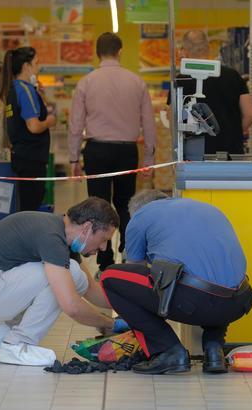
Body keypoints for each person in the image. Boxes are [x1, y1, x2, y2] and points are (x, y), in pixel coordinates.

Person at [99, 190, 252, 374]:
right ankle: (214, 349)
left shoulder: (141, 216)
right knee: (214, 277)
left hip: (196, 302)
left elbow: (136, 271)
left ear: (136, 211)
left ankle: (168, 351)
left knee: (111, 278)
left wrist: (131, 318)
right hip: (238, 303)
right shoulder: (206, 209)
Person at [0, 197, 119, 366]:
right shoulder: (51, 237)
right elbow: (71, 306)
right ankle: (17, 344)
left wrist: (131, 308)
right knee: (66, 275)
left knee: (74, 275)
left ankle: (1, 332)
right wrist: (111, 323)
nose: (104, 248)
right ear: (87, 227)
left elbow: (90, 290)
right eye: (104, 239)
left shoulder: (61, 234)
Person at [69, 32, 157, 271]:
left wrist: (74, 157)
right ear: (119, 52)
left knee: (98, 205)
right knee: (126, 204)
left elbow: (76, 123)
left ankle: (104, 263)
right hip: (127, 151)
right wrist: (149, 158)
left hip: (96, 150)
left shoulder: (86, 83)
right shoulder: (136, 82)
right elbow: (148, 123)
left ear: (97, 53)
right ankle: (131, 256)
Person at [170, 30, 252, 155]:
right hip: (230, 153)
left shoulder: (181, 80)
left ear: (184, 50)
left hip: (194, 154)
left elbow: (173, 119)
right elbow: (251, 114)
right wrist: (233, 134)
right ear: (209, 47)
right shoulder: (233, 75)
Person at [0, 46, 57, 211]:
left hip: (22, 157)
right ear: (26, 66)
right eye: (36, 63)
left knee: (25, 204)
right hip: (31, 159)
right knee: (30, 207)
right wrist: (50, 121)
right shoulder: (25, 90)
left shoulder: (14, 89)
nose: (39, 68)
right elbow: (33, 126)